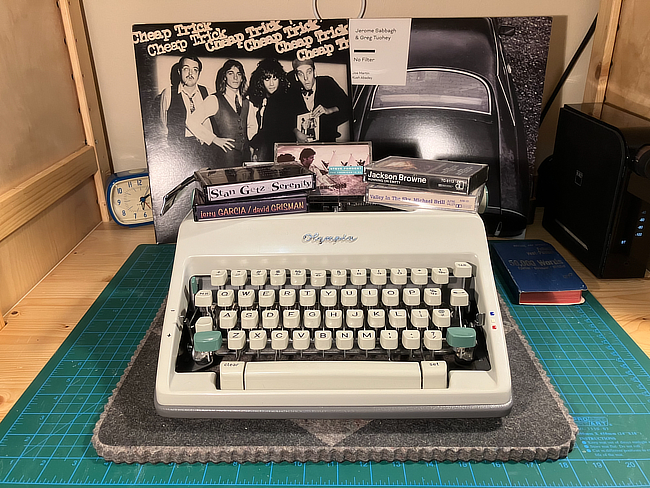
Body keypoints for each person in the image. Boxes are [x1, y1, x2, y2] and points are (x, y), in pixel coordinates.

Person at [186, 59, 253, 168]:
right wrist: (213, 139)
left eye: (238, 74)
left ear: (242, 78)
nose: (235, 77)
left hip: (246, 159)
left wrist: (251, 146)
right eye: (230, 73)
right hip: (224, 159)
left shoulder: (246, 102)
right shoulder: (214, 99)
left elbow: (251, 126)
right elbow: (191, 122)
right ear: (225, 77)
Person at [158, 56, 214, 165]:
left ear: (199, 73)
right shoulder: (168, 93)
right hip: (179, 152)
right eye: (186, 69)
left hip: (205, 151)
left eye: (195, 70)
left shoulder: (208, 93)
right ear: (179, 71)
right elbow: (162, 127)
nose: (190, 74)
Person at [290, 58, 351, 143]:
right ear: (296, 77)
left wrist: (329, 110)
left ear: (315, 72)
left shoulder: (327, 83)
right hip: (303, 146)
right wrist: (295, 131)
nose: (306, 78)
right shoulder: (292, 91)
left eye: (309, 72)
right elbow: (286, 118)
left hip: (327, 143)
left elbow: (349, 106)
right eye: (301, 74)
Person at [246, 59, 295, 162]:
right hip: (267, 149)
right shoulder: (263, 99)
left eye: (275, 78)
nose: (272, 84)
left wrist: (252, 145)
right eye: (267, 79)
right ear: (261, 81)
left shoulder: (282, 99)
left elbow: (268, 130)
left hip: (280, 152)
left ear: (280, 79)